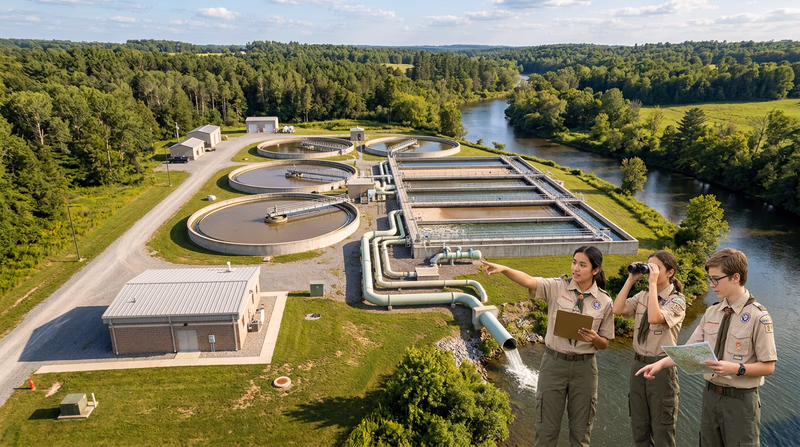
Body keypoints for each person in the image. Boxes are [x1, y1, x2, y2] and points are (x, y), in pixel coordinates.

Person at [637, 248, 777, 446]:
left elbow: (768, 367)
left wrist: (736, 368)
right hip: (710, 396)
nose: (711, 285)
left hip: (740, 402)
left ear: (736, 277)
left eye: (716, 279)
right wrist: (659, 365)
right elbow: (689, 351)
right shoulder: (712, 312)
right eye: (710, 279)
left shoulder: (758, 317)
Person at [482, 246, 614, 447]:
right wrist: (505, 269)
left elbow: (604, 343)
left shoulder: (604, 301)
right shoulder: (557, 287)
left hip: (585, 368)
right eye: (574, 262)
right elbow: (528, 280)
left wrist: (595, 339)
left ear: (595, 270)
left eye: (582, 265)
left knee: (581, 433)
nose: (575, 268)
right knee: (546, 430)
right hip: (554, 363)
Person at [613, 250, 686, 447]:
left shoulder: (677, 300)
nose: (650, 272)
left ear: (670, 272)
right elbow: (617, 309)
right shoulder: (643, 295)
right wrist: (631, 279)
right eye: (648, 267)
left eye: (656, 268)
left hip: (661, 367)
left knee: (662, 430)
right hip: (638, 363)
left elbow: (655, 318)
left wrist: (653, 284)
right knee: (639, 425)